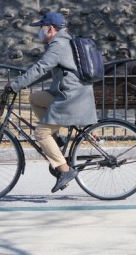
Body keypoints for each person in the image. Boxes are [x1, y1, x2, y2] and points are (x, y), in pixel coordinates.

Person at [7, 11, 98, 192]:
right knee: (35, 98)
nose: (40, 31)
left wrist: (14, 86)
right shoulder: (65, 41)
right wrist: (24, 84)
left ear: (51, 29)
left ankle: (64, 170)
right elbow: (47, 71)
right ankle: (57, 139)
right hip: (71, 95)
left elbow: (40, 68)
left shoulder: (58, 45)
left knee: (40, 134)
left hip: (71, 98)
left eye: (42, 27)